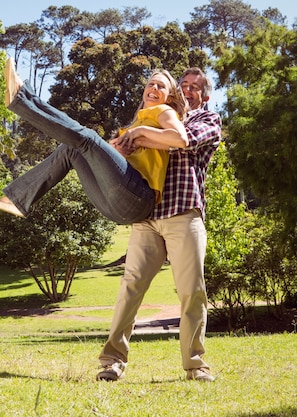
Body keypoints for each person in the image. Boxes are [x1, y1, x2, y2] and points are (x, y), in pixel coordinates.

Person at [96, 67, 222, 382]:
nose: (188, 90)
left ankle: (195, 364)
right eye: (185, 86)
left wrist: (137, 134)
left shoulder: (206, 121)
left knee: (192, 291)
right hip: (148, 217)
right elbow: (123, 155)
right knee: (130, 287)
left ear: (204, 96)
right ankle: (112, 361)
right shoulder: (157, 119)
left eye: (196, 87)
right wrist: (125, 142)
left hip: (184, 213)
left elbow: (180, 141)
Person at [0, 59, 188, 224]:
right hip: (117, 209)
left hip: (139, 198)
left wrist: (141, 132)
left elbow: (180, 139)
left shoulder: (163, 110)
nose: (153, 88)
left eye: (161, 86)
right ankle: (17, 199)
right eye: (150, 84)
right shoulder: (135, 123)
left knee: (88, 138)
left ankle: (22, 97)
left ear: (169, 97)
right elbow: (114, 163)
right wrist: (116, 150)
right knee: (71, 150)